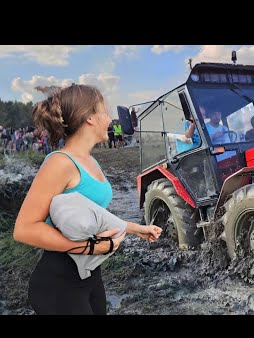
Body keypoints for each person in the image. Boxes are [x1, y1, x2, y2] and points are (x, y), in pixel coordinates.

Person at [13, 84, 162, 315]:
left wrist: (133, 228)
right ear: (90, 118)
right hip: (59, 283)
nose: (110, 118)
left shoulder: (91, 161)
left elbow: (95, 214)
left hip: (91, 275)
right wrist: (88, 246)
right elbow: (24, 229)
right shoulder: (60, 163)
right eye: (105, 111)